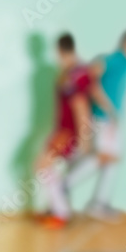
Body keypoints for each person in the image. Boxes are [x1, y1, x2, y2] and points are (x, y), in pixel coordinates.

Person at [63, 27, 126, 222]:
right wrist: (106, 105)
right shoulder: (119, 59)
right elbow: (93, 71)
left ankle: (99, 203)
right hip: (104, 117)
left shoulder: (124, 63)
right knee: (105, 156)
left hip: (109, 118)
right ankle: (66, 185)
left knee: (112, 159)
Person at [35, 32, 95, 229]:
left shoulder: (72, 76)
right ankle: (57, 208)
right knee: (47, 168)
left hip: (67, 132)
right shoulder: (78, 71)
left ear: (60, 51)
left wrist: (84, 137)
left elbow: (81, 106)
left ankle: (60, 212)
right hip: (65, 130)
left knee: (43, 166)